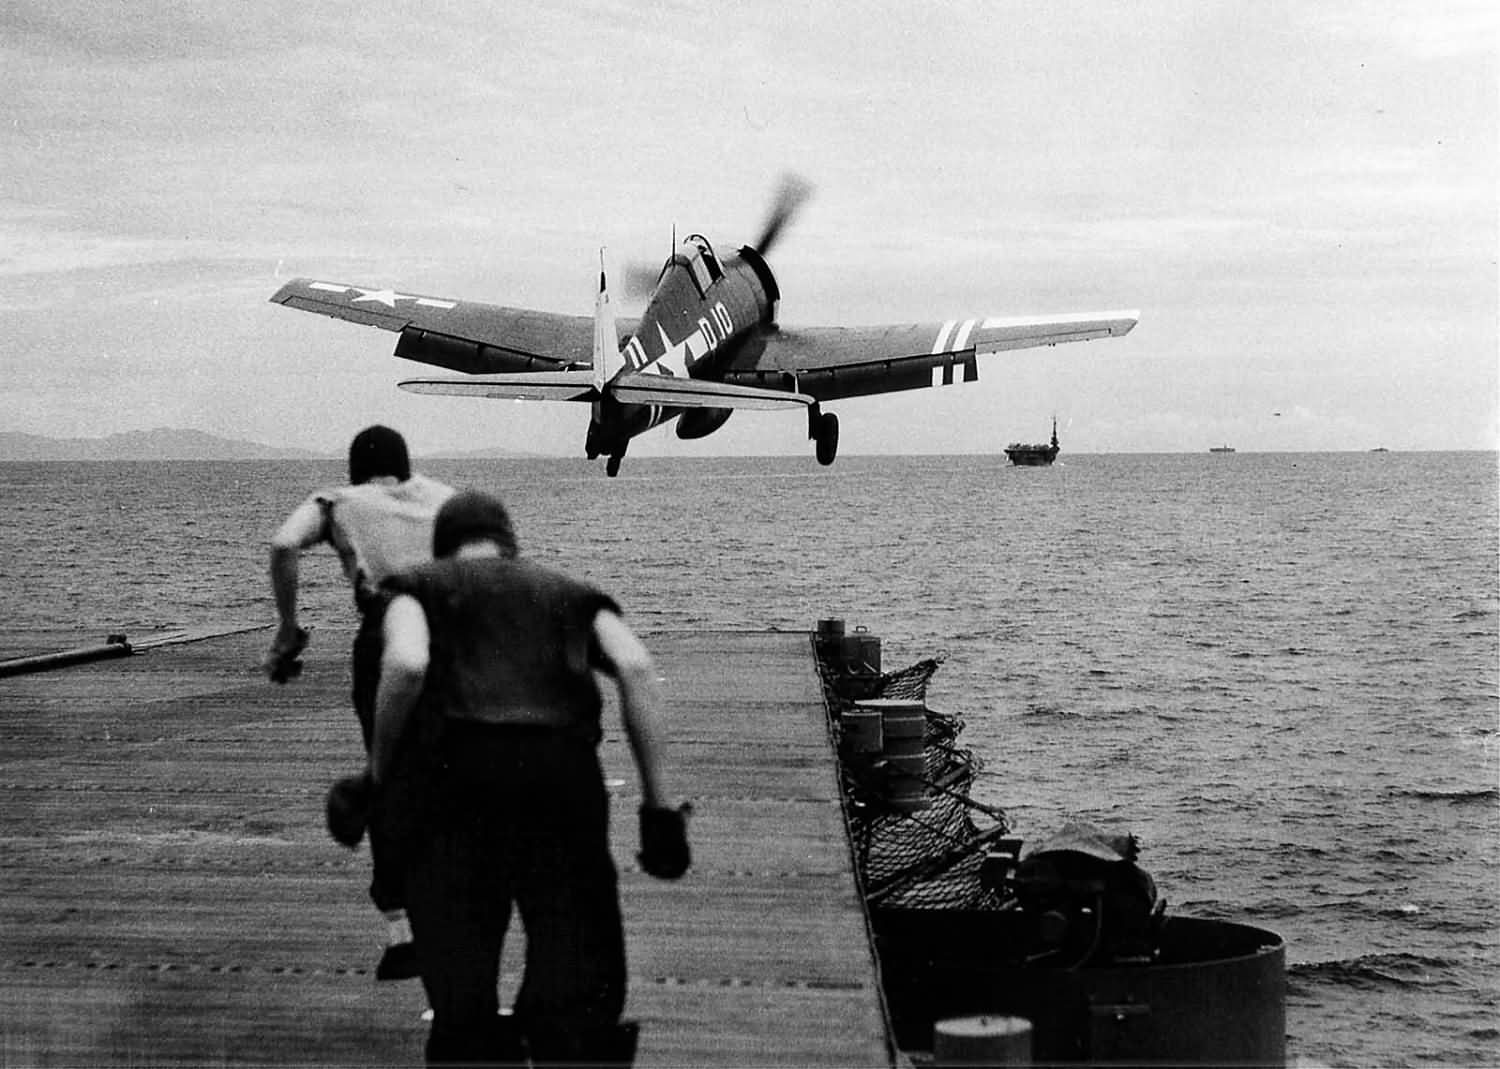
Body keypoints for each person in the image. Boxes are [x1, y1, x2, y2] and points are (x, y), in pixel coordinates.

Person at [367, 490, 690, 1065]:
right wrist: (659, 810)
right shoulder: (568, 592)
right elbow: (637, 668)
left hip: (455, 790)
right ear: (509, 541)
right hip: (561, 784)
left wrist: (378, 777)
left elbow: (407, 664)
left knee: (461, 993)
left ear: (444, 544)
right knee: (576, 988)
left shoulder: (413, 588)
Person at [264, 424, 454, 980]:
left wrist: (288, 628)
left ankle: (402, 935)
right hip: (454, 642)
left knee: (389, 775)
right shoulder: (447, 499)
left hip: (387, 640)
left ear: (355, 470)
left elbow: (283, 543)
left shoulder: (338, 501)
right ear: (407, 465)